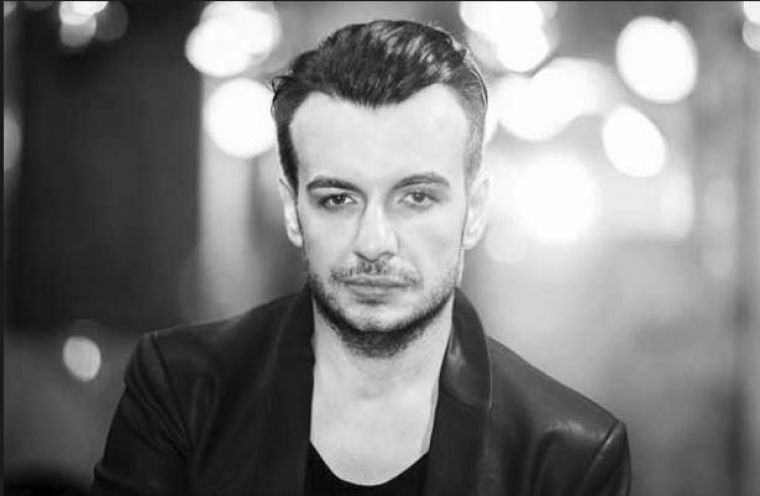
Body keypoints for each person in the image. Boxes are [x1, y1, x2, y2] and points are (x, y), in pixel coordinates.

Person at [91, 19, 631, 496]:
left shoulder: (569, 451)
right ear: (292, 210)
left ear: (475, 211)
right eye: (338, 199)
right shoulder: (181, 387)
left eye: (416, 197)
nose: (374, 242)